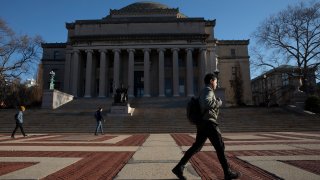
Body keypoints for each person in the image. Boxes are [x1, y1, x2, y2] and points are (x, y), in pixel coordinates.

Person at [172, 73, 240, 180]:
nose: (217, 84)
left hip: (203, 123)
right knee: (220, 146)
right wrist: (218, 102)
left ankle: (179, 167)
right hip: (209, 122)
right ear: (212, 81)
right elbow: (206, 103)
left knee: (197, 146)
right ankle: (227, 172)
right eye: (216, 82)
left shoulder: (204, 91)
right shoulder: (208, 90)